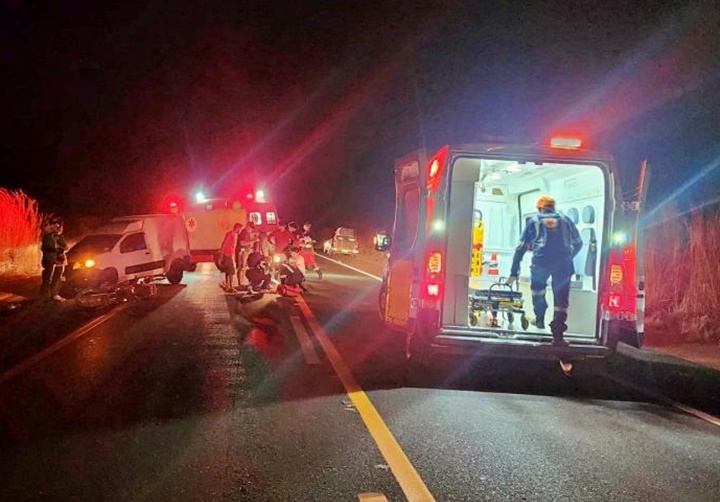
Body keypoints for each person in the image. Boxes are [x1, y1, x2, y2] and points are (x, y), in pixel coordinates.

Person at [507, 195, 582, 346]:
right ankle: (558, 336)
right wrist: (568, 257)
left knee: (538, 291)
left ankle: (539, 317)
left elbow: (521, 247)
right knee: (561, 300)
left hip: (541, 263)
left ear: (539, 208)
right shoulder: (566, 220)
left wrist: (514, 272)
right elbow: (579, 243)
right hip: (563, 264)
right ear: (553, 207)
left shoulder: (534, 221)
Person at [40, 219, 67, 302]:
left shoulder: (59, 237)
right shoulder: (48, 237)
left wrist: (60, 243)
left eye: (59, 226)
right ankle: (45, 296)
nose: (58, 228)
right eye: (56, 226)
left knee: (57, 278)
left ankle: (54, 294)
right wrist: (58, 248)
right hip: (50, 260)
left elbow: (65, 246)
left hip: (58, 260)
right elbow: (50, 247)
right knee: (48, 278)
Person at [219, 223, 242, 291]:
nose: (240, 230)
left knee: (228, 271)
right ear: (237, 228)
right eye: (240, 229)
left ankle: (227, 286)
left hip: (230, 255)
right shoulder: (230, 234)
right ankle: (230, 286)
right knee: (231, 271)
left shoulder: (235, 235)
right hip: (227, 255)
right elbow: (224, 244)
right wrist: (221, 256)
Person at [236, 221, 259, 286]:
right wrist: (253, 241)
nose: (251, 229)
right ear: (247, 226)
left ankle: (241, 283)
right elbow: (242, 243)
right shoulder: (244, 232)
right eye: (251, 228)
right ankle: (240, 283)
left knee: (244, 268)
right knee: (242, 268)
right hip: (243, 252)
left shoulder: (246, 232)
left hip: (246, 252)